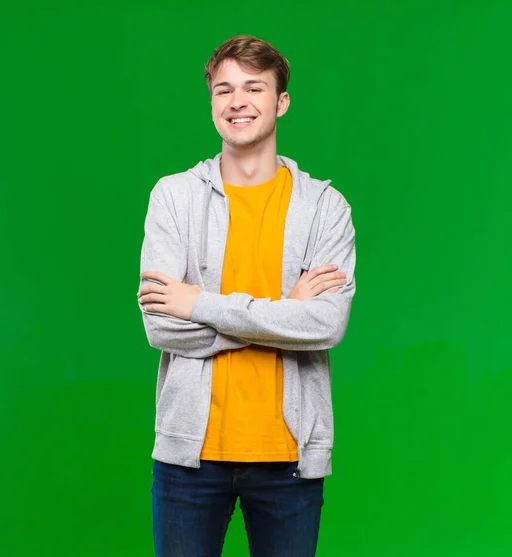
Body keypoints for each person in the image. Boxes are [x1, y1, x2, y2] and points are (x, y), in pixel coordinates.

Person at [137, 34, 356, 557]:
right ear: (212, 102)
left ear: (280, 102)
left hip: (289, 458)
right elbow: (160, 325)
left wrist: (199, 304)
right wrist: (284, 316)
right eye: (224, 90)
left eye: (254, 88)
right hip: (190, 457)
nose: (237, 101)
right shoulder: (174, 197)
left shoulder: (325, 207)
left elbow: (325, 325)